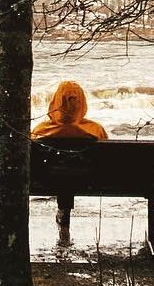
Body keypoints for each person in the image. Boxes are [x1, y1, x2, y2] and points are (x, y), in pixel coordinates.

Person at [31, 80, 106, 239]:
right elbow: (108, 158)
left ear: (56, 101)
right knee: (70, 173)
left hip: (45, 179)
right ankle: (64, 214)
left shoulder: (41, 131)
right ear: (82, 102)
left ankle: (63, 215)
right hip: (89, 180)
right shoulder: (95, 130)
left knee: (63, 173)